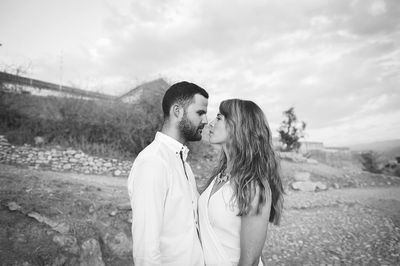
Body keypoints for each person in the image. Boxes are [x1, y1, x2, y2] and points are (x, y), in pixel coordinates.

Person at [127, 81, 209, 266]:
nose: (205, 120)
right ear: (177, 111)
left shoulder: (183, 163)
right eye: (200, 113)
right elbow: (146, 250)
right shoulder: (153, 162)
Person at [198, 99, 284, 266]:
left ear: (239, 126)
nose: (211, 122)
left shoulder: (253, 185)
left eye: (219, 117)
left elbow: (250, 261)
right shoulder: (220, 175)